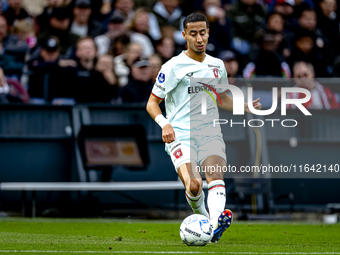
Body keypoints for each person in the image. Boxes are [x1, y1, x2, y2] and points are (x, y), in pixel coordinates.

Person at [146, 13, 261, 243]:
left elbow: (222, 99)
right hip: (180, 134)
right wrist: (164, 123)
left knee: (216, 174)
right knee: (195, 185)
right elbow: (151, 103)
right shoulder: (173, 67)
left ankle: (215, 226)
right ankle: (207, 222)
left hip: (210, 131)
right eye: (193, 33)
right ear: (184, 35)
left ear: (208, 33)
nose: (199, 38)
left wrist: (245, 106)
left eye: (203, 33)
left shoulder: (217, 66)